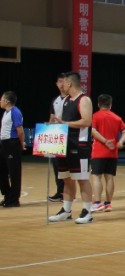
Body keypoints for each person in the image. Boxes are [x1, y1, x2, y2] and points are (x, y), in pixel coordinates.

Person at [46, 72, 95, 223]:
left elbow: (87, 121)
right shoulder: (66, 100)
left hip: (79, 145)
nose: (62, 85)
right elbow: (61, 121)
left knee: (82, 179)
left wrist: (65, 124)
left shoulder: (84, 100)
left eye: (64, 82)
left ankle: (87, 212)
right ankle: (66, 211)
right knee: (66, 179)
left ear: (69, 84)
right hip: (64, 145)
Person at [89, 94, 125, 213]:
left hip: (99, 151)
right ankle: (108, 203)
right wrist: (120, 141)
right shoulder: (117, 118)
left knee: (96, 176)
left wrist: (105, 141)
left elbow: (93, 130)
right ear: (110, 105)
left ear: (98, 104)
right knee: (109, 178)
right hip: (112, 152)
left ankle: (97, 202)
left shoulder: (95, 116)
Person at [0, 92, 24, 208]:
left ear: (7, 101)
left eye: (2, 99)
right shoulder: (6, 113)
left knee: (14, 172)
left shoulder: (15, 112)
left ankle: (14, 199)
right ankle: (7, 195)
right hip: (4, 144)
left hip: (12, 143)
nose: (0, 101)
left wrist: (21, 143)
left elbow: (20, 130)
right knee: (2, 170)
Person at [48, 74, 66, 202]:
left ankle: (68, 193)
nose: (61, 84)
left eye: (63, 82)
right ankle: (60, 191)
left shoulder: (72, 99)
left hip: (67, 135)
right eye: (59, 81)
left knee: (66, 166)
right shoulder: (55, 100)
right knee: (56, 165)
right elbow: (51, 117)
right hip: (56, 135)